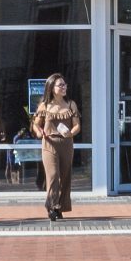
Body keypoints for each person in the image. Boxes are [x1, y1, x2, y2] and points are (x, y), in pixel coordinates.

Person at [32, 72, 81, 220]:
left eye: (65, 84)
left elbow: (77, 126)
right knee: (53, 175)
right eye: (60, 85)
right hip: (49, 143)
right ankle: (52, 206)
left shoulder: (71, 104)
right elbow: (35, 124)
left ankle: (60, 206)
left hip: (66, 143)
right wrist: (39, 132)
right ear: (52, 87)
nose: (64, 87)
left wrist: (70, 133)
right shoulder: (44, 105)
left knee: (65, 177)